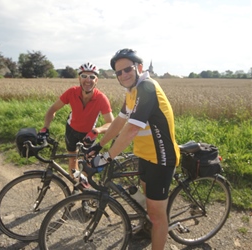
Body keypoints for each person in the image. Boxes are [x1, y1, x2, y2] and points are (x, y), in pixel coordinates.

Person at [87, 49, 180, 250]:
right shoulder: (132, 92)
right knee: (148, 202)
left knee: (157, 216)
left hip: (161, 159)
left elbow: (130, 130)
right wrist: (99, 145)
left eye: (127, 69)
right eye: (118, 73)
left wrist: (106, 158)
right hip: (145, 155)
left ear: (139, 68)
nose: (123, 75)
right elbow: (120, 121)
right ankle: (148, 230)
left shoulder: (146, 87)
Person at [38, 62, 114, 179]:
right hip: (71, 130)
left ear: (96, 80)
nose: (88, 80)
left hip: (89, 133)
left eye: (92, 77)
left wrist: (97, 130)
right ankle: (75, 185)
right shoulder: (71, 92)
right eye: (84, 76)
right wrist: (45, 127)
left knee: (88, 164)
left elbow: (111, 123)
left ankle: (84, 189)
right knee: (72, 159)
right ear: (79, 78)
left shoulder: (101, 98)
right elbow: (52, 109)